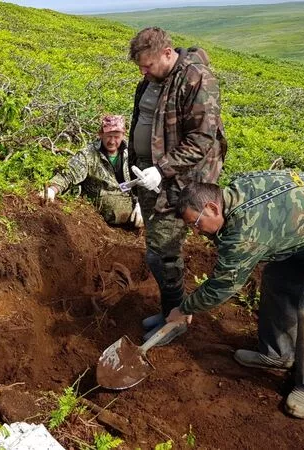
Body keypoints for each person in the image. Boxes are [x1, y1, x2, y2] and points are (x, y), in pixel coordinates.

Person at [167, 170, 304, 419]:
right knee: (276, 279)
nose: (196, 232)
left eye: (195, 224)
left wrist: (185, 308)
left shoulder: (246, 230)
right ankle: (277, 354)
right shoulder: (234, 193)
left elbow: (223, 285)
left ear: (212, 207)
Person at [126, 27, 227, 346]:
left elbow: (201, 140)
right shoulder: (153, 78)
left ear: (168, 53)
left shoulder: (197, 78)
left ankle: (176, 318)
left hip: (181, 182)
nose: (144, 72)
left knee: (163, 253)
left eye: (148, 65)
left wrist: (162, 168)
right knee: (157, 248)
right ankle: (170, 307)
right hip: (151, 176)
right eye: (140, 67)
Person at [43, 114, 143, 228]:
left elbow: (142, 180)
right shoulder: (88, 154)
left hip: (130, 195)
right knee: (116, 209)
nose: (112, 141)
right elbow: (69, 174)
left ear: (123, 135)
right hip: (107, 200)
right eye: (108, 136)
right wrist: (52, 189)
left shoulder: (132, 153)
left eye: (116, 137)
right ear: (100, 134)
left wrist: (141, 203)